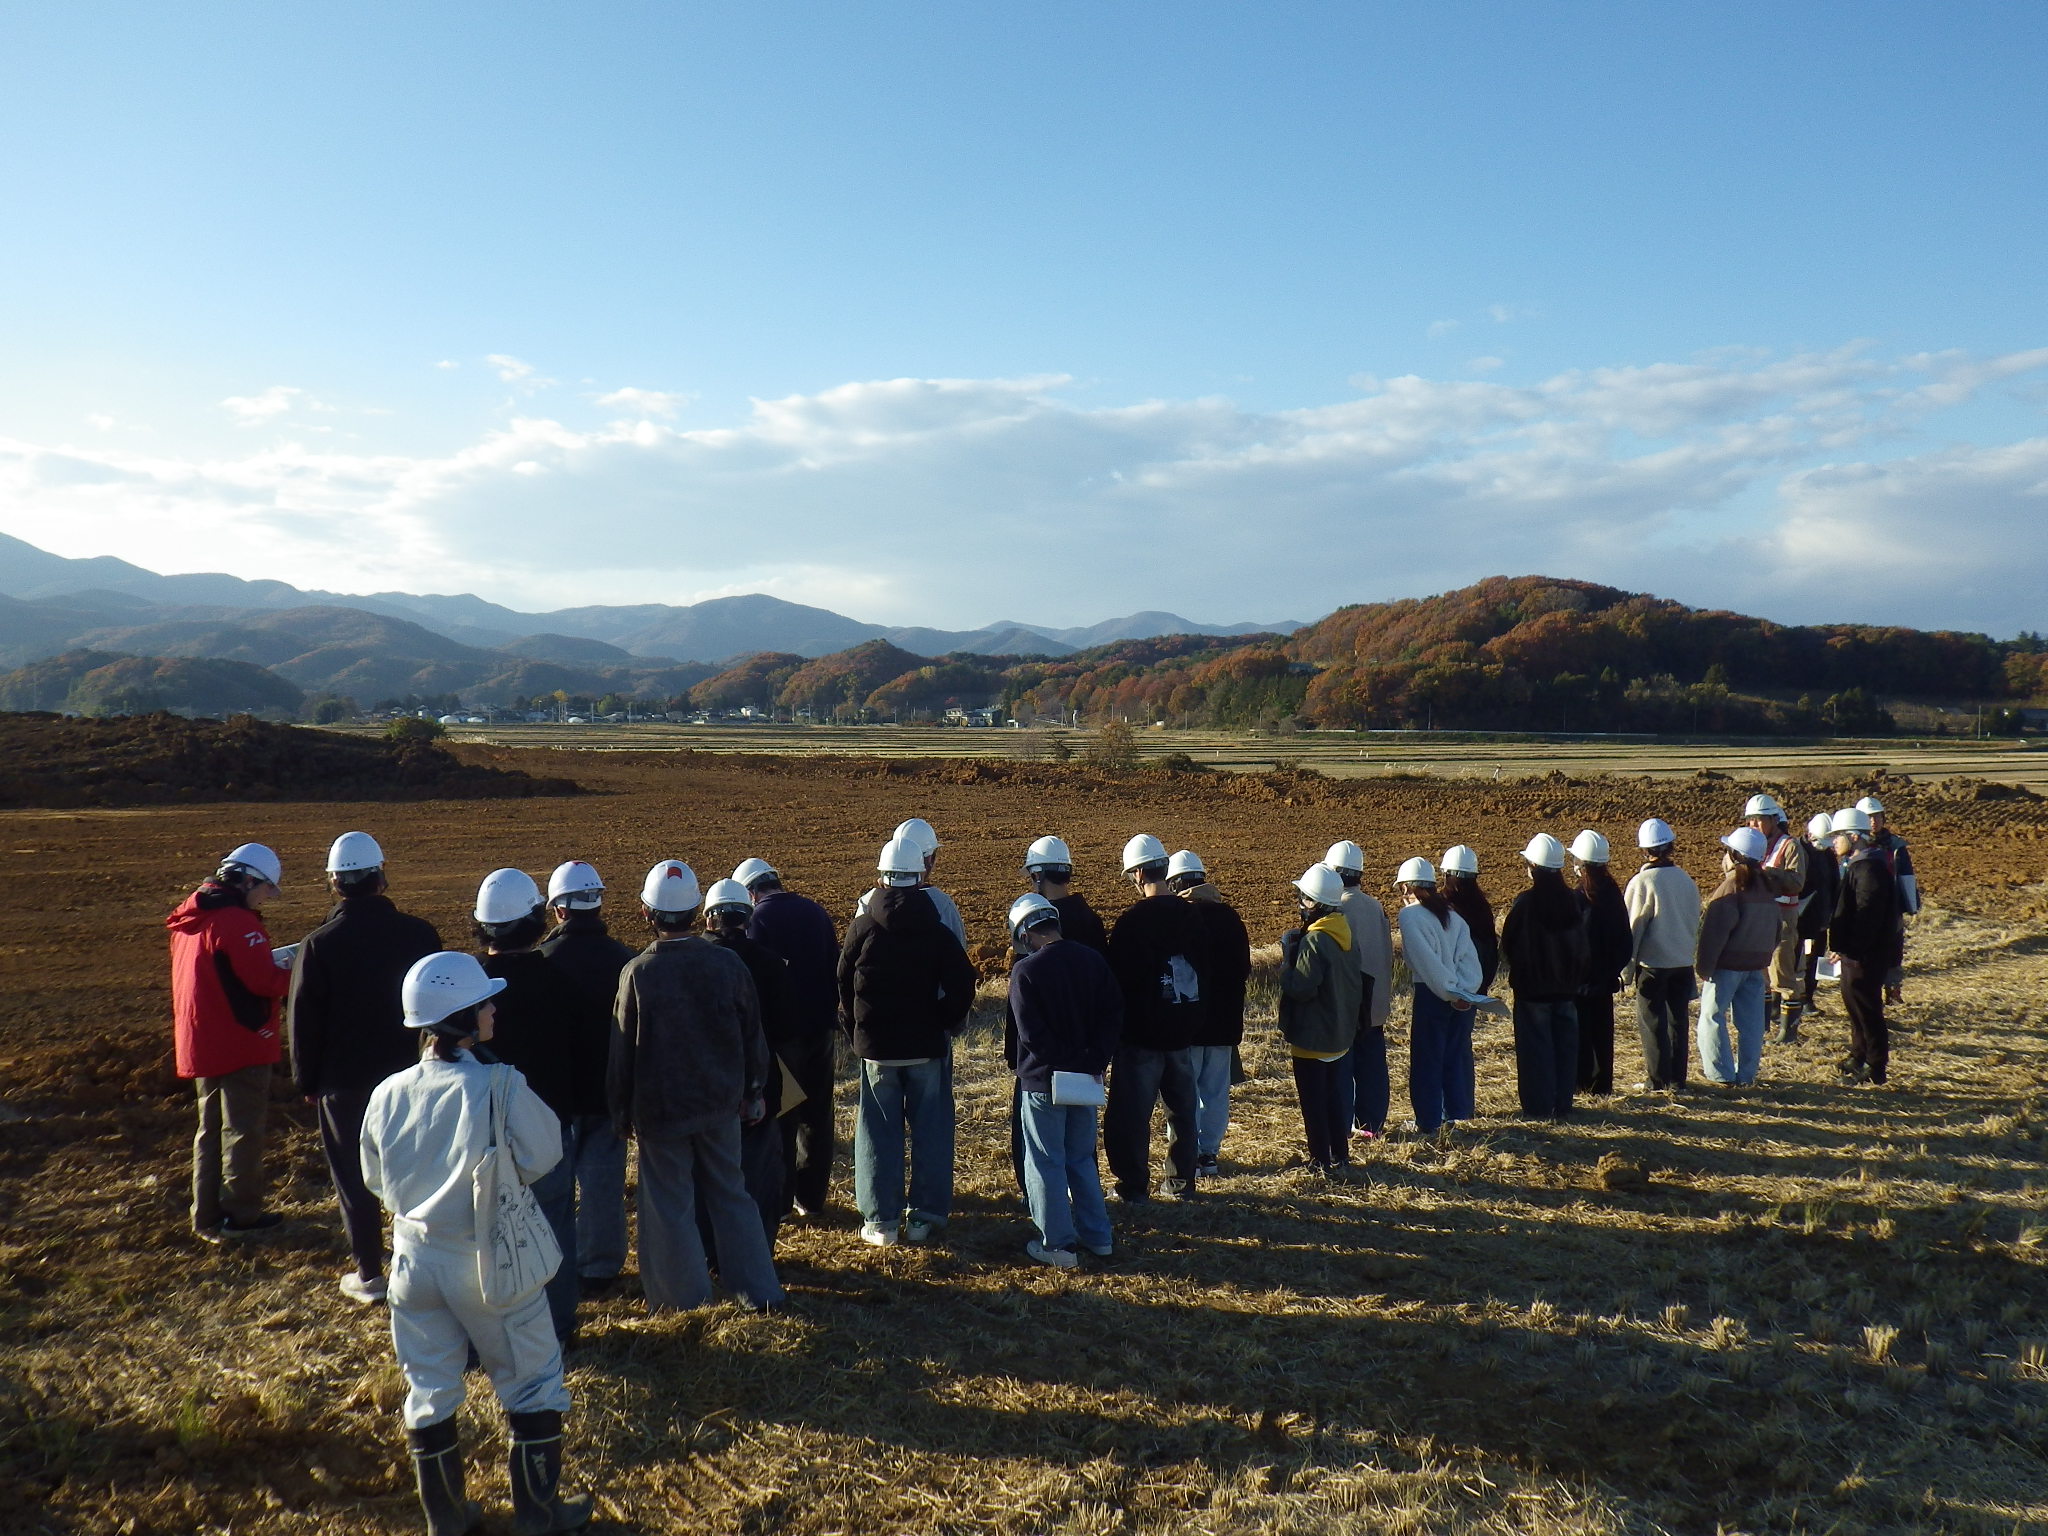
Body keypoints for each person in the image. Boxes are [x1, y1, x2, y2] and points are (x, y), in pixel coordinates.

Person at [360, 950, 592, 1536]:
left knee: (430, 1387)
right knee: (533, 1380)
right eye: (484, 1002)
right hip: (489, 1258)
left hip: (412, 1260)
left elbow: (374, 1177)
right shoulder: (501, 1085)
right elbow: (545, 1154)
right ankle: (538, 1515)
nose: (493, 1008)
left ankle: (446, 1518)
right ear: (464, 1017)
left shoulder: (388, 1092)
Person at [611, 861, 784, 1311]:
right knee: (732, 1193)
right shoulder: (726, 964)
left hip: (661, 1112)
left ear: (647, 914)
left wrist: (620, 1112)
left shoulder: (638, 974)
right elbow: (753, 1036)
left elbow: (622, 1052)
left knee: (669, 1206)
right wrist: (754, 1091)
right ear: (695, 910)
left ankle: (683, 1304)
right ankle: (759, 1292)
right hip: (721, 1103)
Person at [288, 831, 441, 1302]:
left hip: (344, 1082)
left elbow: (302, 1021)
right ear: (381, 878)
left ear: (334, 884)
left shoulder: (318, 945)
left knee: (353, 1176)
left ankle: (370, 1273)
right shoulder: (419, 934)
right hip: (410, 1076)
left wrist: (308, 1081)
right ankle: (423, 1265)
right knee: (416, 1171)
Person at [838, 837, 979, 1246]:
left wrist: (855, 1032)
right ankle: (925, 1216)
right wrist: (947, 1023)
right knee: (931, 1130)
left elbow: (842, 983)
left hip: (877, 1052)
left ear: (882, 877)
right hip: (926, 1049)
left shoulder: (862, 927)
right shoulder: (936, 930)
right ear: (921, 878)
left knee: (877, 1132)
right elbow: (962, 982)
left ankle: (880, 1222)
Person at [473, 869, 589, 1344]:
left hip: (478, 1137)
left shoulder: (469, 986)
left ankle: (488, 1329)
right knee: (552, 1226)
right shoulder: (560, 982)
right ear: (540, 919)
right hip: (547, 1131)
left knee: (479, 1233)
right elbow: (579, 1060)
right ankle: (557, 1327)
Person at [167, 841, 294, 1244]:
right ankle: (241, 1215)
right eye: (267, 889)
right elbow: (264, 982)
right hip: (240, 1041)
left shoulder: (192, 919)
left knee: (208, 1130)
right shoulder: (236, 922)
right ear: (248, 881)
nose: (268, 898)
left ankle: (205, 1215)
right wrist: (305, 973)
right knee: (242, 1130)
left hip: (202, 1040)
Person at [536, 860, 637, 1298]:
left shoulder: (541, 963)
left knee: (551, 1190)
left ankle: (551, 1266)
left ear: (558, 909)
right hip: (606, 1093)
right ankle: (599, 1268)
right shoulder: (625, 962)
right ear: (598, 904)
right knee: (603, 1182)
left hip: (554, 1098)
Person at [1005, 894, 1122, 1267]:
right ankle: (1098, 1236)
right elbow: (1112, 1016)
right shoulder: (1093, 961)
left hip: (1042, 1082)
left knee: (1044, 1162)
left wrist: (1061, 1066)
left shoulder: (1026, 972)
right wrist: (1091, 1061)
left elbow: (1031, 1036)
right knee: (1081, 1159)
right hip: (1085, 1081)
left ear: (1025, 933)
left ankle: (1057, 1244)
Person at [734, 855, 841, 1220]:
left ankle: (779, 1202)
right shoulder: (815, 911)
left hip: (783, 1036)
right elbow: (834, 967)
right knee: (818, 1115)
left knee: (782, 1117)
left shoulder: (758, 919)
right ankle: (812, 1199)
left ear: (751, 892)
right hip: (821, 1029)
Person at [1003, 836, 1112, 1193]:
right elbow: (1105, 996)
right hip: (1085, 1055)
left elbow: (1020, 1004)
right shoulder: (1090, 922)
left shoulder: (1032, 931)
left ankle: (1040, 1207)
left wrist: (1014, 1053)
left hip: (1039, 1060)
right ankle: (1086, 1209)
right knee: (1081, 1147)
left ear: (1037, 877)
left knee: (1036, 1145)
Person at [1103, 834, 1206, 1200]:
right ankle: (1181, 1184)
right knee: (1182, 1114)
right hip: (1182, 1032)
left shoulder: (1131, 923)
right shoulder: (1193, 915)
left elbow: (1119, 981)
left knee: (1131, 1118)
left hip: (1142, 1036)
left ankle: (1133, 1187)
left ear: (1141, 873)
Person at [703, 878, 800, 1245]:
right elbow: (789, 1027)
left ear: (709, 919)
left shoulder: (695, 962)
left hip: (707, 1083)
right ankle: (759, 1242)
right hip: (761, 1084)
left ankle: (712, 1244)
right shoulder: (770, 963)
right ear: (747, 916)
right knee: (759, 1168)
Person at [1166, 849, 1250, 1177]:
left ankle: (1185, 1155)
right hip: (1225, 1024)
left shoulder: (1179, 919)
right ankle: (1208, 1156)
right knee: (1215, 1092)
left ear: (1175, 884)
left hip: (1189, 1023)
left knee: (1185, 1095)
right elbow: (1243, 968)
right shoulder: (1230, 917)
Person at [1278, 866, 1364, 1172]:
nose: (1301, 903)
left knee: (1313, 1104)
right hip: (1338, 1034)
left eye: (1305, 898)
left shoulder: (1315, 941)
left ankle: (1319, 1160)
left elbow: (1301, 988)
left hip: (1313, 1038)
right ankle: (1340, 1155)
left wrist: (1288, 963)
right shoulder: (1343, 933)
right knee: (1333, 1098)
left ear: (1316, 903)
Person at [1499, 835, 1591, 1121]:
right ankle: (1562, 1104)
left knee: (1535, 1052)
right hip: (1566, 991)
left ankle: (1538, 1108)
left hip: (1533, 992)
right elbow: (1582, 947)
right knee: (1565, 1050)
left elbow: (1509, 945)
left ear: (1533, 867)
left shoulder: (1526, 903)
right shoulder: (1573, 902)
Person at [1393, 858, 1483, 1134]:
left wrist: (1448, 991)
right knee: (1454, 1055)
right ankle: (1456, 1114)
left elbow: (1426, 962)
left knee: (1427, 1059)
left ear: (1407, 887)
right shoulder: (1453, 916)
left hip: (1433, 993)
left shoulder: (1410, 916)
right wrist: (1466, 991)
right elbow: (1470, 961)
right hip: (1463, 995)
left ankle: (1429, 1121)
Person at [1694, 828, 1781, 1087]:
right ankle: (1747, 1076)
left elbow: (1714, 932)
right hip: (1756, 966)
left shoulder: (1731, 887)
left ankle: (1720, 1075)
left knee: (1712, 1019)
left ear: (1733, 854)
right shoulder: (1766, 888)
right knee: (1752, 1024)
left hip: (1727, 967)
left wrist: (1704, 965)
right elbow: (1778, 930)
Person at [1323, 840, 1394, 1144]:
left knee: (1342, 1067)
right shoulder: (1374, 905)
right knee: (1373, 1066)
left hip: (1348, 1003)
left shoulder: (1336, 908)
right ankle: (1371, 1125)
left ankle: (1342, 1125)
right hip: (1375, 1004)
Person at [1623, 818, 1701, 1092]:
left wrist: (1626, 970)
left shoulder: (1643, 882)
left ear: (1645, 850)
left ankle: (1657, 1081)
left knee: (1653, 1023)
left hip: (1653, 965)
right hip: (1682, 962)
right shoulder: (1686, 880)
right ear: (1671, 846)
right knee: (1678, 1021)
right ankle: (1677, 1079)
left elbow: (1633, 928)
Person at [1829, 807, 1903, 1086]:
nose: (1834, 842)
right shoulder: (1859, 865)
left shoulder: (1869, 869)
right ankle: (1858, 1055)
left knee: (1867, 1008)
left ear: (1854, 836)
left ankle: (1875, 1066)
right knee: (1854, 1005)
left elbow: (1866, 915)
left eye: (1838, 836)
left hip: (1865, 956)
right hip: (1854, 953)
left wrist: (1853, 950)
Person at [1568, 831, 1632, 1096]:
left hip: (1581, 982)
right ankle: (1602, 1085)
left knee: (1581, 1035)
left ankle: (1582, 1083)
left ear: (1581, 864)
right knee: (1603, 1035)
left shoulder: (1579, 897)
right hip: (1605, 981)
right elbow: (1624, 940)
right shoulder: (1613, 893)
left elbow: (1573, 941)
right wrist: (1611, 970)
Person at [1744, 793, 1810, 1042]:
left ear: (1773, 819)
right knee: (1760, 975)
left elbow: (1797, 882)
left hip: (1782, 918)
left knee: (1782, 974)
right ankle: (1762, 1026)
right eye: (1750, 821)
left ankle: (1788, 1031)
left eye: (1759, 820)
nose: (1754, 826)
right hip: (1758, 917)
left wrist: (1769, 875)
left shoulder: (1790, 845)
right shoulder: (1751, 845)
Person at [853, 817, 967, 948]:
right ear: (929, 859)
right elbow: (959, 956)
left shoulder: (867, 903)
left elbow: (849, 959)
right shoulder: (942, 905)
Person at [1859, 795, 1919, 1004]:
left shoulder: (1895, 846)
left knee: (1893, 951)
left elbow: (1906, 875)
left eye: (1877, 816)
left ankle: (1893, 991)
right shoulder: (1855, 846)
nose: (1873, 821)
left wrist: (1911, 905)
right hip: (1865, 909)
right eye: (1868, 817)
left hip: (1891, 907)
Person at [1797, 813, 1842, 1016]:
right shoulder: (1798, 851)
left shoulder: (1827, 855)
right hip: (1799, 919)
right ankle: (1788, 1001)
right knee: (1795, 960)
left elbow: (1834, 884)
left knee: (1814, 959)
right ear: (1809, 834)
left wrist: (1832, 912)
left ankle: (1807, 998)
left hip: (1821, 918)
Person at [1440, 846, 1500, 993]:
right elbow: (1491, 951)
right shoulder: (1482, 909)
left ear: (1446, 874)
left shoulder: (1441, 908)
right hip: (1475, 988)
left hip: (1447, 990)